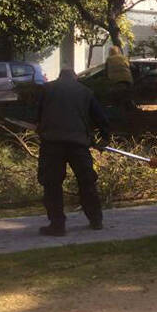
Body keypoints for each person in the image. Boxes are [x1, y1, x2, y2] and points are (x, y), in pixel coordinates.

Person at [36, 68, 111, 236]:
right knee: (87, 182)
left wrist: (41, 127)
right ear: (75, 78)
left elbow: (37, 115)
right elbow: (100, 117)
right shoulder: (85, 91)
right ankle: (96, 220)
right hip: (78, 144)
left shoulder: (47, 89)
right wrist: (104, 138)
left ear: (59, 76)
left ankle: (57, 225)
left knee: (52, 184)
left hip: (51, 144)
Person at [105, 46, 134, 110]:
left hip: (115, 80)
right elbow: (130, 66)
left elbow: (106, 70)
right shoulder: (123, 58)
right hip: (127, 79)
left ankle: (118, 108)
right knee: (128, 94)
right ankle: (130, 107)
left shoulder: (109, 59)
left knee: (116, 96)